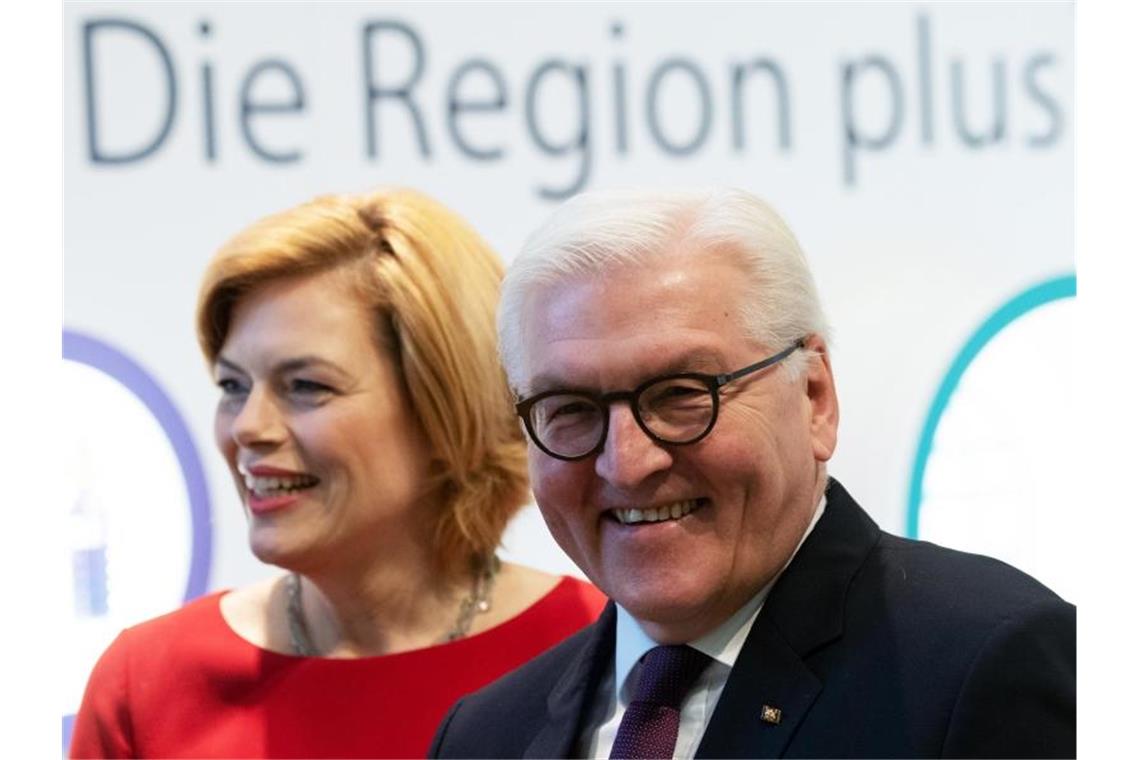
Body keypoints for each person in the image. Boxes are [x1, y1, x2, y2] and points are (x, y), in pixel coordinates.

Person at [429, 187, 1076, 759]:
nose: (626, 462)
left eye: (681, 393)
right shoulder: (485, 736)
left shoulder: (985, 670)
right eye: (570, 409)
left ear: (816, 397)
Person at [69, 188, 606, 759]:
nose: (249, 427)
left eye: (306, 387)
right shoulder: (149, 682)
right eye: (233, 387)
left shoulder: (604, 648)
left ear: (444, 409)